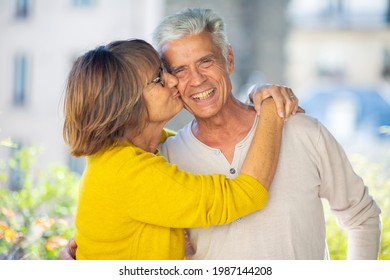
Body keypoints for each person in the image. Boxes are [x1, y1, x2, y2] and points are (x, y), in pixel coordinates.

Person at [151, 8, 382, 260]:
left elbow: (363, 218)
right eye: (180, 70)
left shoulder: (301, 131)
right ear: (169, 80)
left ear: (228, 58)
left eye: (205, 61)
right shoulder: (166, 160)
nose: (196, 80)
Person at [62, 38, 286, 260]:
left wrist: (255, 91)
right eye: (159, 79)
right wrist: (270, 108)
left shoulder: (135, 149)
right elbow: (245, 195)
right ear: (126, 104)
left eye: (165, 70)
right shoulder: (130, 172)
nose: (173, 80)